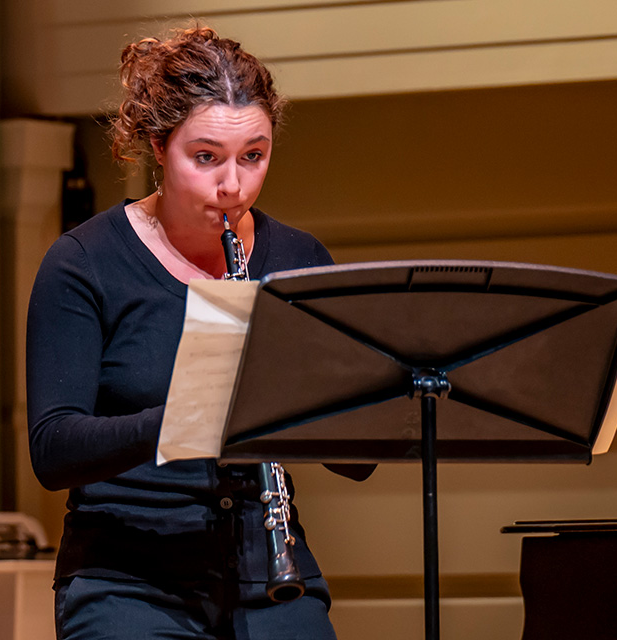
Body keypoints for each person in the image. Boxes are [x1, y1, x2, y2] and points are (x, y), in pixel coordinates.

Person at [26, 26, 371, 640]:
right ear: (159, 147)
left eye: (254, 156)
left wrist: (319, 403)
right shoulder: (85, 262)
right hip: (128, 577)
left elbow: (357, 463)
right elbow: (54, 450)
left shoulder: (298, 257)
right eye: (206, 157)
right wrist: (191, 414)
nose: (233, 185)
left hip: (267, 570)